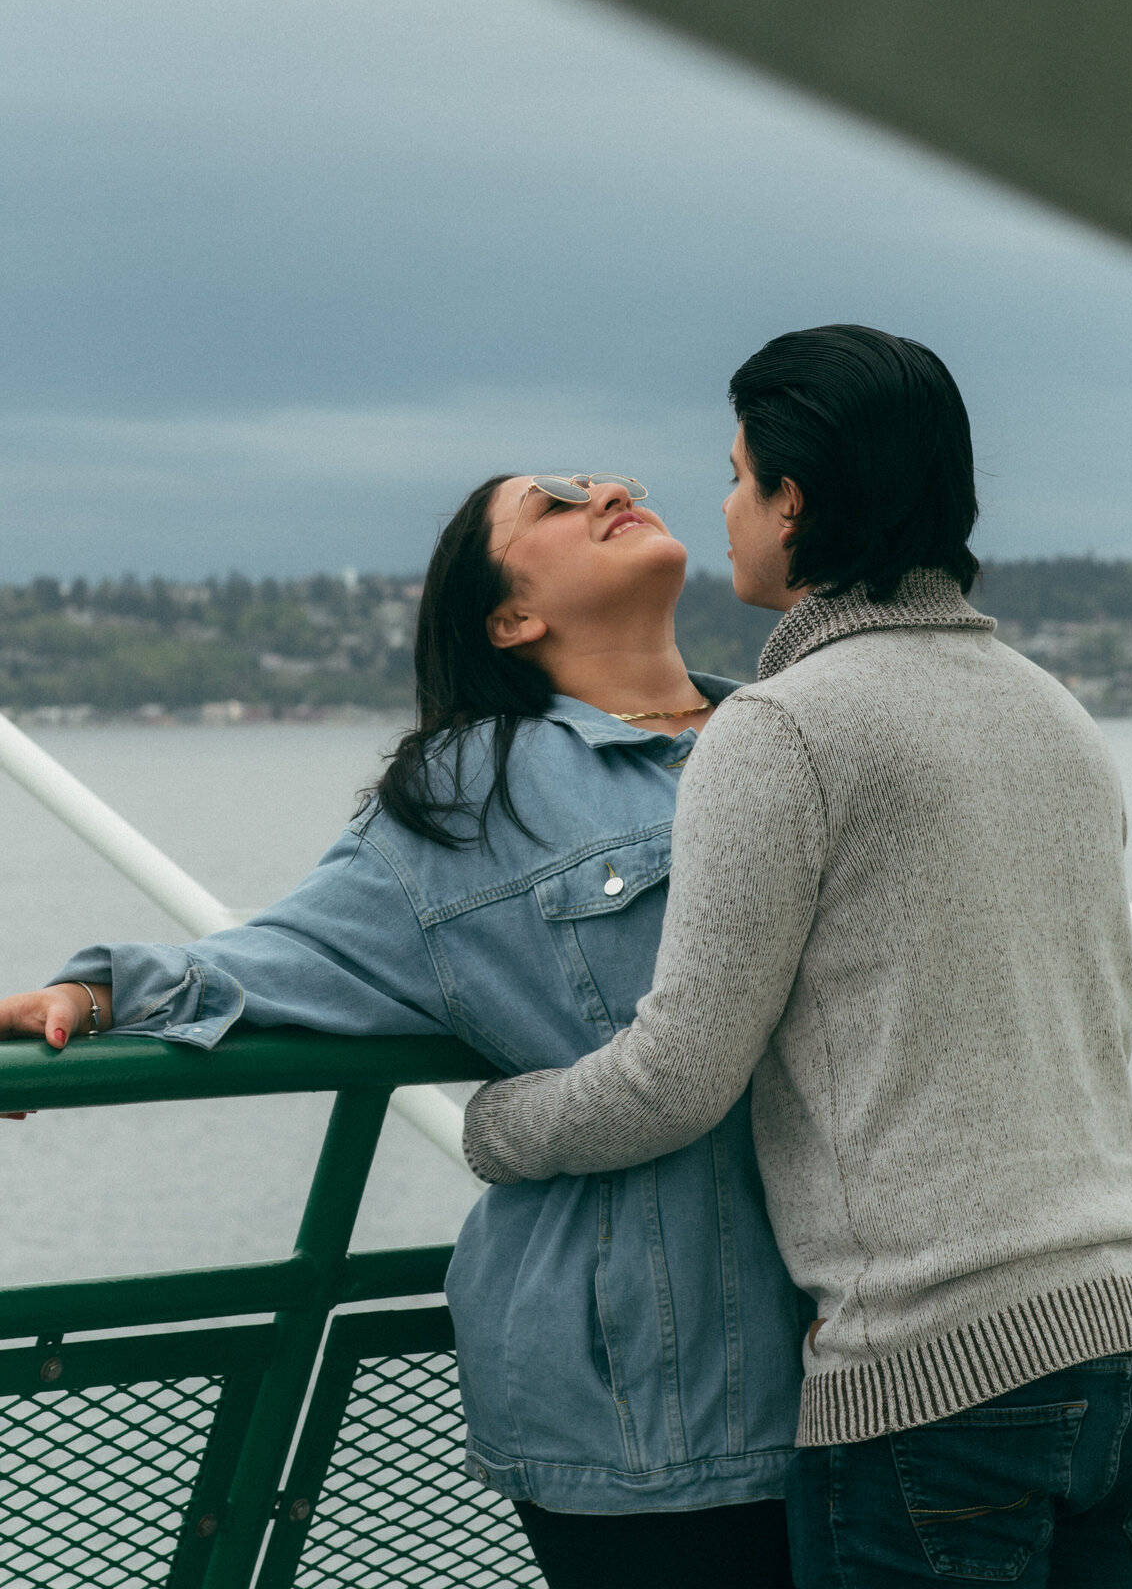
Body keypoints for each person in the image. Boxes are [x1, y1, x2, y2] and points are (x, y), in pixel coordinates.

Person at [461, 329, 1132, 1588]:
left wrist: (500, 1124)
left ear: (796, 502)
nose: (730, 510)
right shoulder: (1056, 713)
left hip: (943, 1378)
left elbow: (677, 1074)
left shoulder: (786, 727)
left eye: (742, 478)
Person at [0, 472, 803, 1589]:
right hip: (650, 1399)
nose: (608, 488)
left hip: (877, 1358)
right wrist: (89, 997)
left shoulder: (798, 730)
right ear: (511, 619)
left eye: (602, 478)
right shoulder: (476, 792)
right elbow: (287, 956)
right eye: (556, 501)